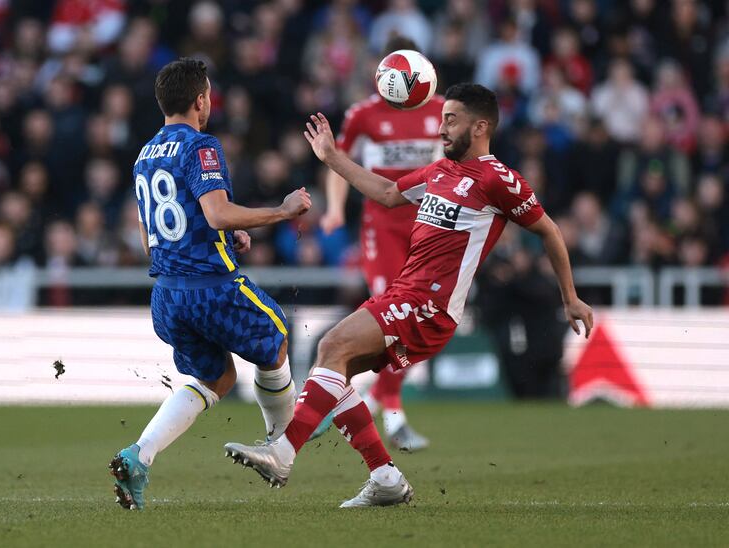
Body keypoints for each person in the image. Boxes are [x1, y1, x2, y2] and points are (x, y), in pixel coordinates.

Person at [224, 84, 593, 507]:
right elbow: (385, 193)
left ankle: (283, 453)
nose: (441, 128)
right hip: (406, 294)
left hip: (430, 306)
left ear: (481, 126)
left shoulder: (498, 179)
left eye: (451, 120)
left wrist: (570, 297)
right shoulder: (440, 173)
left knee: (332, 345)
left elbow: (549, 229)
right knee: (335, 365)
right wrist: (332, 158)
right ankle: (385, 477)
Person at [109, 58, 311, 511]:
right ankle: (280, 444)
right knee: (276, 336)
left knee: (216, 377)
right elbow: (217, 212)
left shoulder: (143, 155)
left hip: (166, 293)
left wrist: (221, 234)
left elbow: (151, 235)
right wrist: (281, 211)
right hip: (209, 285)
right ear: (201, 99)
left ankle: (138, 456)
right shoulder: (201, 146)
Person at [318, 35, 443, 451]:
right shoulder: (363, 115)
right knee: (394, 313)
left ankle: (366, 398)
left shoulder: (445, 112)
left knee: (424, 321)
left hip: (431, 227)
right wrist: (335, 208)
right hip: (383, 227)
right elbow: (338, 162)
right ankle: (393, 412)